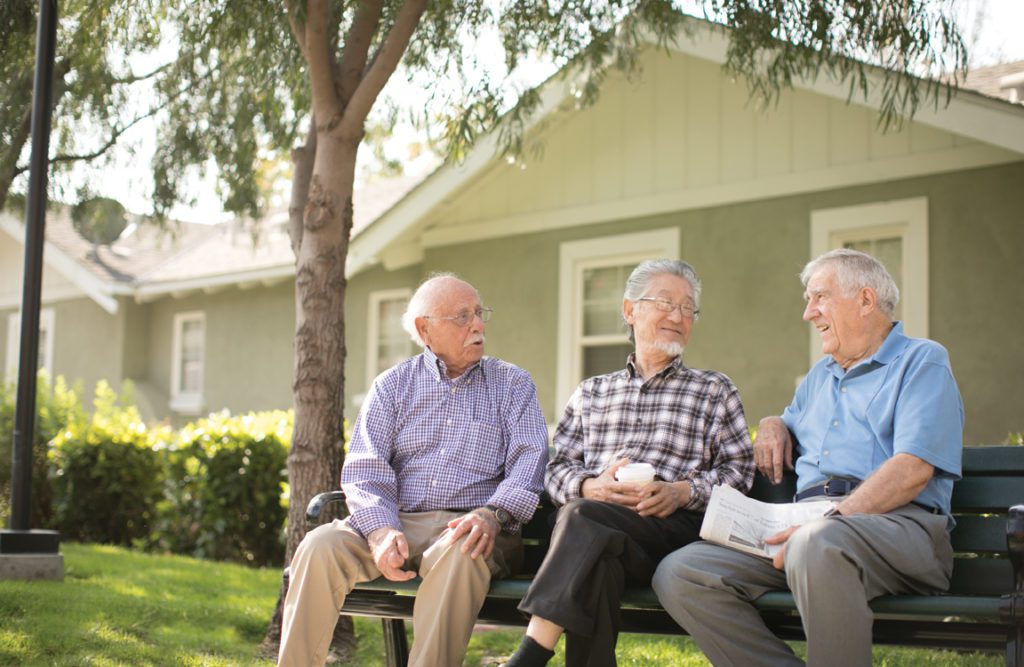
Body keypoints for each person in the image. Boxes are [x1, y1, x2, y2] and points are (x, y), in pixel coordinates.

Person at [653, 248, 964, 667]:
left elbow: (912, 469)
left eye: (819, 297)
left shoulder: (922, 361)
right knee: (680, 573)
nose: (808, 313)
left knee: (816, 544)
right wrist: (772, 422)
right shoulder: (820, 376)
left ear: (866, 301)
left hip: (900, 527)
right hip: (808, 531)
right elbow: (789, 421)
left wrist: (829, 521)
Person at [278, 274, 549, 667]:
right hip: (398, 522)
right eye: (461, 316)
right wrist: (380, 530)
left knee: (463, 550)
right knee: (319, 546)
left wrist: (494, 513)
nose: (477, 325)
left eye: (478, 313)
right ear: (425, 329)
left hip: (471, 525)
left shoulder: (512, 384)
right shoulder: (392, 386)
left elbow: (530, 462)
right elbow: (365, 468)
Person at [504, 259, 755, 667]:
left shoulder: (714, 390)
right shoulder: (591, 392)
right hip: (598, 534)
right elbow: (557, 467)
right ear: (629, 310)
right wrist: (590, 486)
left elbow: (739, 472)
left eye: (688, 308)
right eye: (665, 302)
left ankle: (530, 655)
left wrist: (682, 492)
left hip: (670, 534)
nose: (678, 315)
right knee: (598, 556)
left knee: (584, 518)